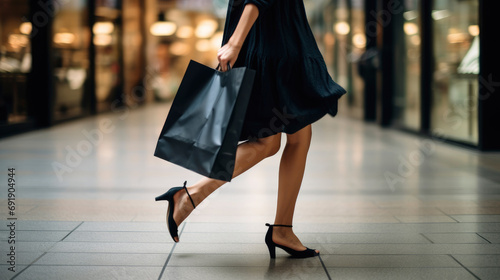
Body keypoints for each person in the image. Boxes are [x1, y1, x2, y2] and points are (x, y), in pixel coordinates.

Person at [156, 0, 346, 259]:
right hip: (275, 38)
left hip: (275, 35)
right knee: (277, 141)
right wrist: (235, 42)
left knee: (284, 140)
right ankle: (192, 196)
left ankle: (280, 227)